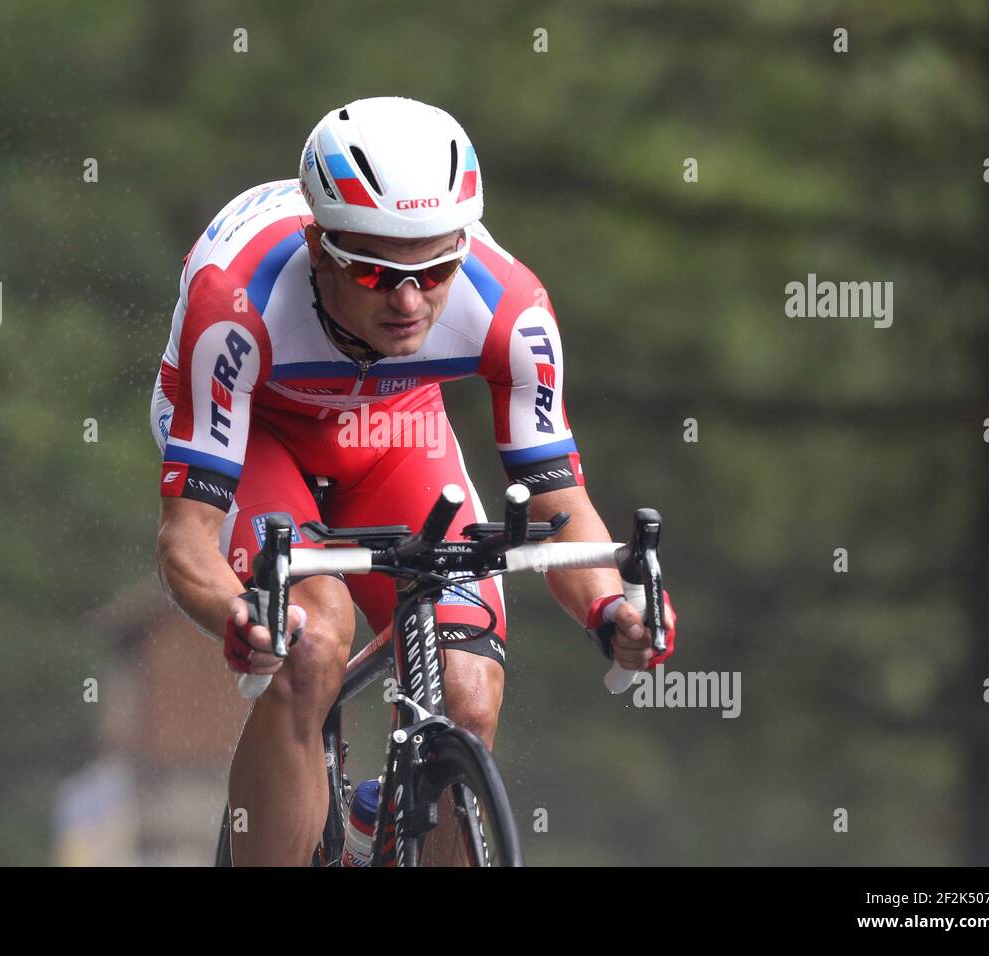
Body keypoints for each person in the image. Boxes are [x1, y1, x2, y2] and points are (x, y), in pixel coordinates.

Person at [152, 96, 676, 866]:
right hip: (258, 433)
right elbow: (186, 538)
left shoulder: (511, 307)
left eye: (434, 271)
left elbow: (565, 511)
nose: (407, 301)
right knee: (312, 642)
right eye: (375, 271)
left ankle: (384, 812)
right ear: (317, 244)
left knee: (467, 696)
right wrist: (239, 615)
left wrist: (612, 606)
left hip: (395, 433)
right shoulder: (235, 304)